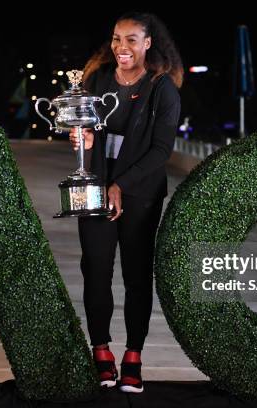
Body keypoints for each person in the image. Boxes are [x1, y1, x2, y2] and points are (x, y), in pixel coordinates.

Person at [68, 11, 182, 393]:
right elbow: (88, 132)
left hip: (141, 194)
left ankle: (134, 355)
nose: (122, 47)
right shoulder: (97, 81)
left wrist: (121, 185)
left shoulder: (162, 88)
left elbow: (161, 150)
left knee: (136, 277)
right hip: (94, 189)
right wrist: (82, 141)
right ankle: (100, 350)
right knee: (95, 271)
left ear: (148, 43)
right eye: (117, 39)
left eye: (132, 39)